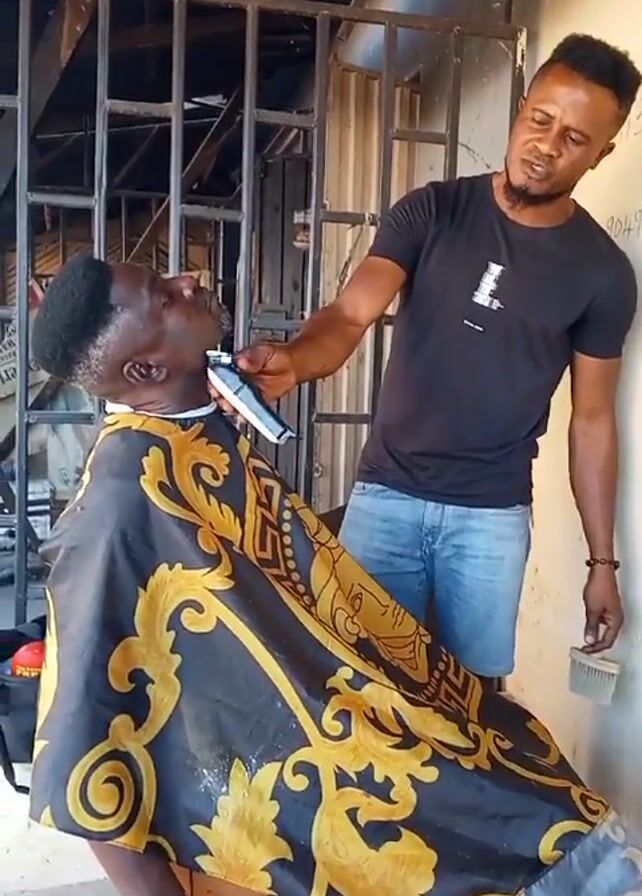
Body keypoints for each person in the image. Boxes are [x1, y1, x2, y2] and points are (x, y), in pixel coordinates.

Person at [25, 254, 642, 896]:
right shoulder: (118, 505)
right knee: (533, 823)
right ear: (147, 370)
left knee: (520, 765)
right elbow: (81, 758)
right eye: (163, 296)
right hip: (307, 792)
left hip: (356, 719)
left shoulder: (193, 430)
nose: (188, 280)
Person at [212, 33, 642, 680]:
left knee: (473, 695)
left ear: (601, 153)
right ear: (521, 109)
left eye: (574, 138)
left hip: (492, 517)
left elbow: (593, 420)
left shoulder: (602, 274)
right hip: (386, 496)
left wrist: (602, 564)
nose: (547, 145)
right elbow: (351, 315)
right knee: (362, 681)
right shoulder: (433, 211)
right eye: (540, 119)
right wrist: (295, 361)